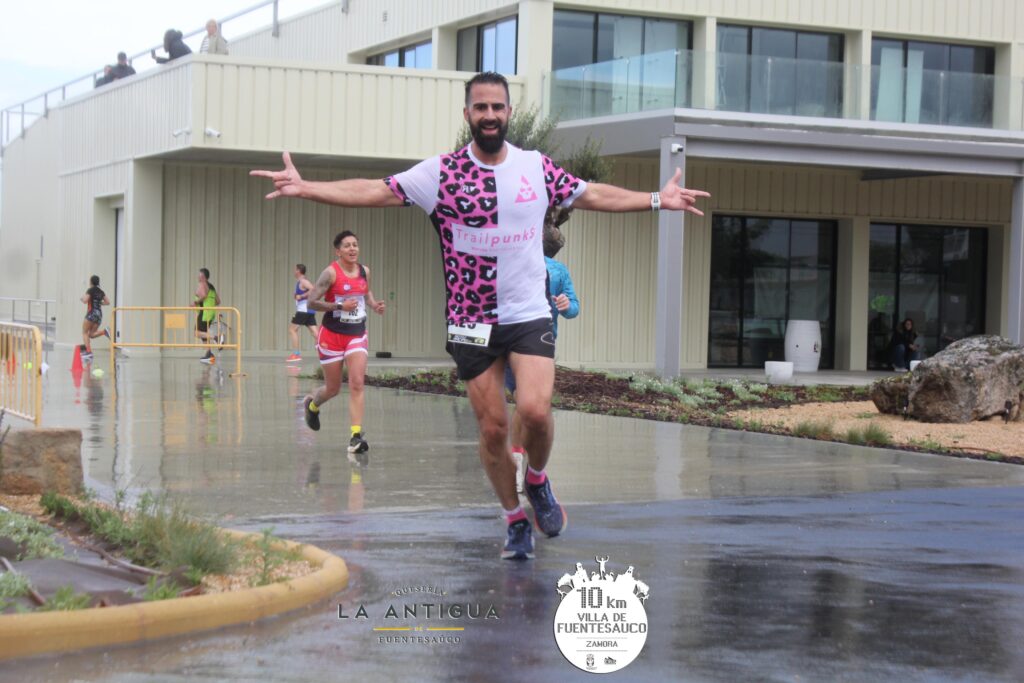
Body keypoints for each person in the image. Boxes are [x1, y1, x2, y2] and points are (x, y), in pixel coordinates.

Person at [251, 71, 709, 561]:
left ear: (508, 113)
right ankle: (514, 518)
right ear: (467, 114)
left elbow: (592, 193)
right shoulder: (441, 174)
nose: (489, 115)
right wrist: (306, 188)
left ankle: (536, 479)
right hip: (470, 318)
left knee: (534, 410)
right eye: (480, 107)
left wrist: (659, 199)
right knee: (492, 428)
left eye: (498, 107)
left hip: (527, 312)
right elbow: (374, 189)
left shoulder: (535, 167)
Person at [299, 231, 386, 463]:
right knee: (333, 388)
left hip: (357, 334)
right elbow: (311, 302)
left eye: (355, 245)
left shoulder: (365, 271)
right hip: (332, 336)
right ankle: (313, 405)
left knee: (357, 382)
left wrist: (374, 304)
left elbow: (364, 293)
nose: (352, 249)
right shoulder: (330, 273)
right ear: (338, 251)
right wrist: (339, 305)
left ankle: (356, 437)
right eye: (347, 246)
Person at [506, 226, 579, 493]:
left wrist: (566, 304)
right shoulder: (550, 269)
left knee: (525, 405)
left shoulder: (548, 269)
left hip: (525, 343)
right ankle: (526, 470)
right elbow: (574, 307)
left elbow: (574, 306)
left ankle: (520, 467)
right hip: (531, 344)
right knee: (529, 406)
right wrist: (567, 306)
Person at [288, 263, 319, 362]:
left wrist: (301, 296)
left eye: (295, 270)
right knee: (315, 334)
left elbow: (314, 290)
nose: (294, 271)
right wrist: (297, 296)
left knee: (292, 330)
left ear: (298, 271)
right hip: (309, 310)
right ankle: (326, 351)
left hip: (303, 310)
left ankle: (296, 354)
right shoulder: (300, 282)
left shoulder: (303, 281)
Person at [192, 267, 220, 364]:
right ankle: (209, 354)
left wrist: (195, 302)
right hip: (211, 313)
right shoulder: (211, 287)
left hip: (204, 313)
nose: (198, 277)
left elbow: (203, 296)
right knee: (204, 335)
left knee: (196, 333)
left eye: (199, 275)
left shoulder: (202, 284)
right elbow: (218, 301)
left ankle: (215, 337)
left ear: (203, 276)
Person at [80, 275, 110, 362]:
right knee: (91, 334)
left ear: (91, 282)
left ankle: (88, 352)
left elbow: (85, 300)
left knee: (84, 332)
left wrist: (81, 298)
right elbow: (107, 302)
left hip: (91, 313)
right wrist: (100, 304)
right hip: (99, 314)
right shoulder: (101, 291)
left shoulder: (91, 290)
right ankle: (104, 331)